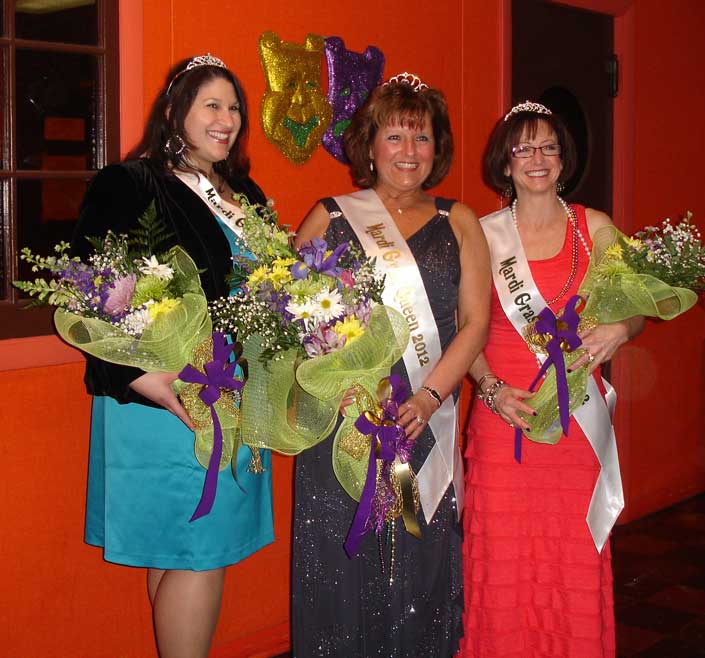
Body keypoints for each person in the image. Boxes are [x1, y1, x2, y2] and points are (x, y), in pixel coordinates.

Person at [72, 55, 274, 658]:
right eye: (211, 104)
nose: (227, 119)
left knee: (179, 550)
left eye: (234, 107)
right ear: (174, 112)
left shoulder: (247, 193)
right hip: (166, 397)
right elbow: (87, 296)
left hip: (230, 392)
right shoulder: (130, 183)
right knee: (196, 550)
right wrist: (142, 377)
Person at [291, 74, 491, 658]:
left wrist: (428, 398)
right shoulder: (330, 216)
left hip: (420, 415)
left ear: (438, 148)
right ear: (370, 146)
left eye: (422, 138)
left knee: (416, 544)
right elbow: (292, 314)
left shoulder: (460, 221)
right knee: (341, 551)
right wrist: (344, 385)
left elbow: (475, 322)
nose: (409, 152)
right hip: (346, 420)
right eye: (396, 136)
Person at [459, 101, 644, 658]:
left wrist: (620, 329)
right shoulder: (482, 233)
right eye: (523, 148)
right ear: (505, 161)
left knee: (570, 559)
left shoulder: (596, 228)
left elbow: (637, 307)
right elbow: (463, 330)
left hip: (574, 431)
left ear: (564, 161)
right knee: (504, 559)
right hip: (503, 420)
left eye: (548, 148)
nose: (536, 159)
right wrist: (490, 388)